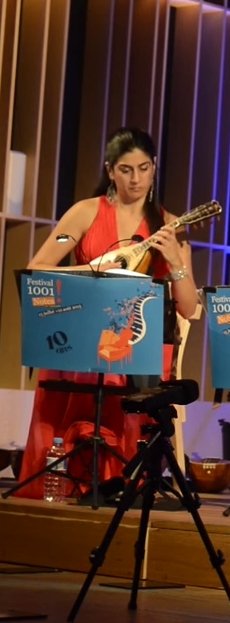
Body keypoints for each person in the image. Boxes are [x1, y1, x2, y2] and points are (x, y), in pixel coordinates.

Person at [13, 127, 201, 501]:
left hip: (136, 345)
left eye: (144, 168)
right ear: (110, 170)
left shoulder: (170, 224)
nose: (136, 179)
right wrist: (92, 275)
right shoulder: (84, 213)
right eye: (126, 169)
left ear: (154, 168)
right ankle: (66, 479)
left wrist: (177, 262)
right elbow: (39, 272)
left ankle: (120, 479)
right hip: (84, 343)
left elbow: (189, 307)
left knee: (136, 356)